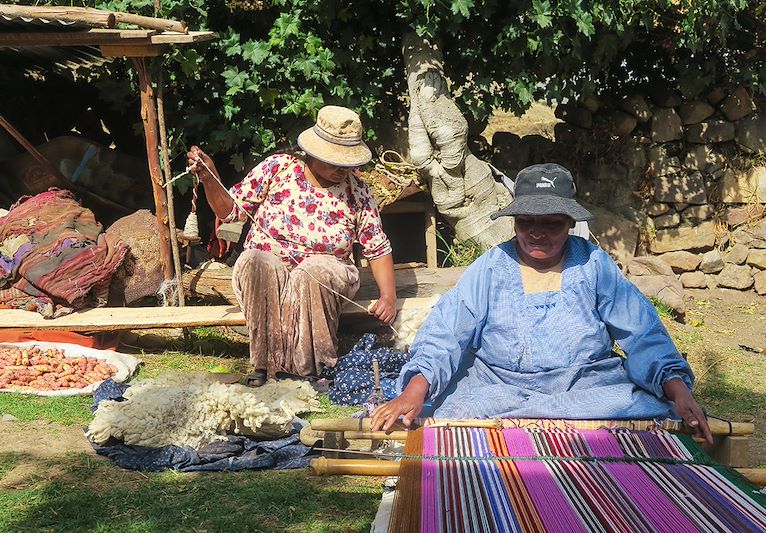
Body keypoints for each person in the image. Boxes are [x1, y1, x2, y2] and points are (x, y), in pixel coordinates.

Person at [371, 163, 713, 444]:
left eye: (551, 224)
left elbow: (641, 333)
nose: (537, 233)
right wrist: (414, 392)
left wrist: (678, 391)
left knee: (643, 405)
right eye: (526, 222)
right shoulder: (491, 267)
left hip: (583, 388)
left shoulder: (594, 266)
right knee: (444, 406)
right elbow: (447, 333)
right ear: (514, 222)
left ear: (570, 224)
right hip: (497, 387)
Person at [188, 105, 397, 387]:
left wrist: (388, 297)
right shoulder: (279, 168)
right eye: (334, 161)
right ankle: (265, 366)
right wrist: (209, 176)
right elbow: (230, 212)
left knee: (314, 271)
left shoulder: (356, 190)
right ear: (313, 152)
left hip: (328, 271)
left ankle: (309, 371)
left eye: (346, 163)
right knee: (256, 262)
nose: (341, 169)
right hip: (270, 266)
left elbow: (377, 246)